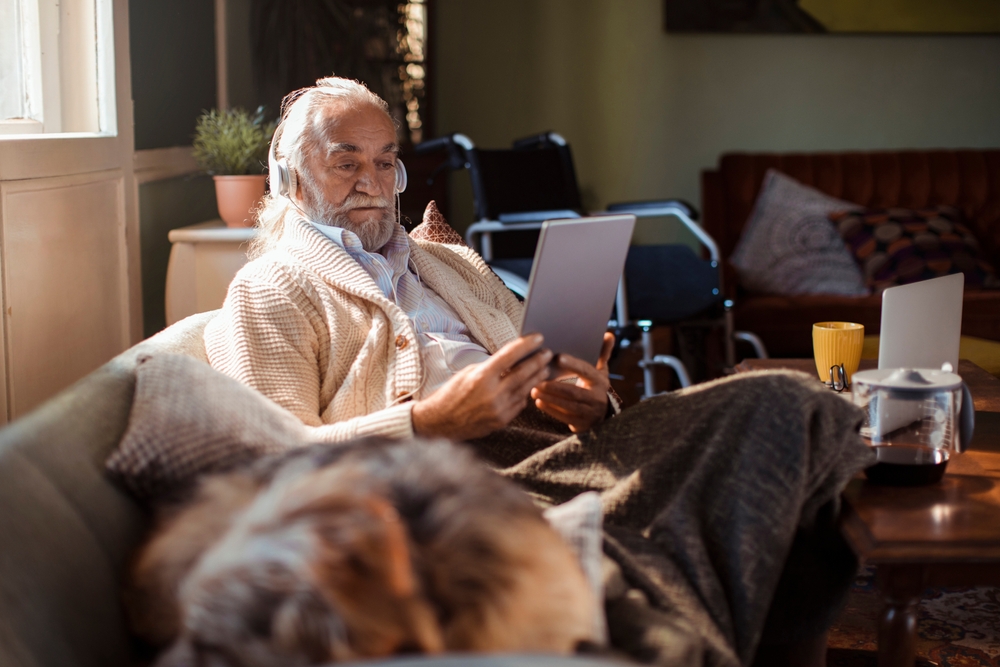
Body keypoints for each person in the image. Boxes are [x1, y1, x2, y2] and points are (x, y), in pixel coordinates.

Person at [205, 76, 872, 667]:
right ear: (290, 181)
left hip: (566, 447)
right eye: (344, 162)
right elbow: (267, 464)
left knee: (788, 415)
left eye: (385, 162)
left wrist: (586, 402)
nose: (372, 183)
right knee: (778, 415)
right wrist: (428, 421)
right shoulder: (271, 289)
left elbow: (554, 373)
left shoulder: (451, 265)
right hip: (465, 482)